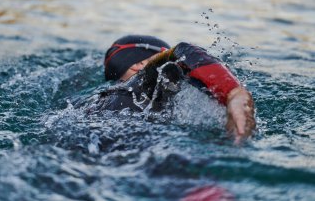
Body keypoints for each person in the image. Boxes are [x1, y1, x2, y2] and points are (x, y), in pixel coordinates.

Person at [93, 35, 255, 143]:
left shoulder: (93, 101)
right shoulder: (144, 81)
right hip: (141, 148)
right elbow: (182, 52)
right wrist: (234, 93)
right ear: (141, 64)